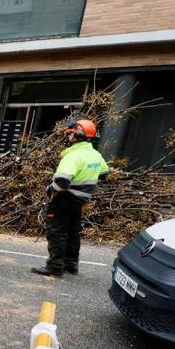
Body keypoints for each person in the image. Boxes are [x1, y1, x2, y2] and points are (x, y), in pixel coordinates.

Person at [31, 119, 109, 278]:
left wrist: (50, 190)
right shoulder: (96, 155)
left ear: (78, 135)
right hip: (81, 200)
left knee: (57, 231)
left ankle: (55, 267)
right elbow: (104, 173)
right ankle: (71, 264)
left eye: (71, 133)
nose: (69, 136)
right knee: (72, 231)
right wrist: (86, 188)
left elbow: (62, 181)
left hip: (65, 198)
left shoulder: (73, 156)